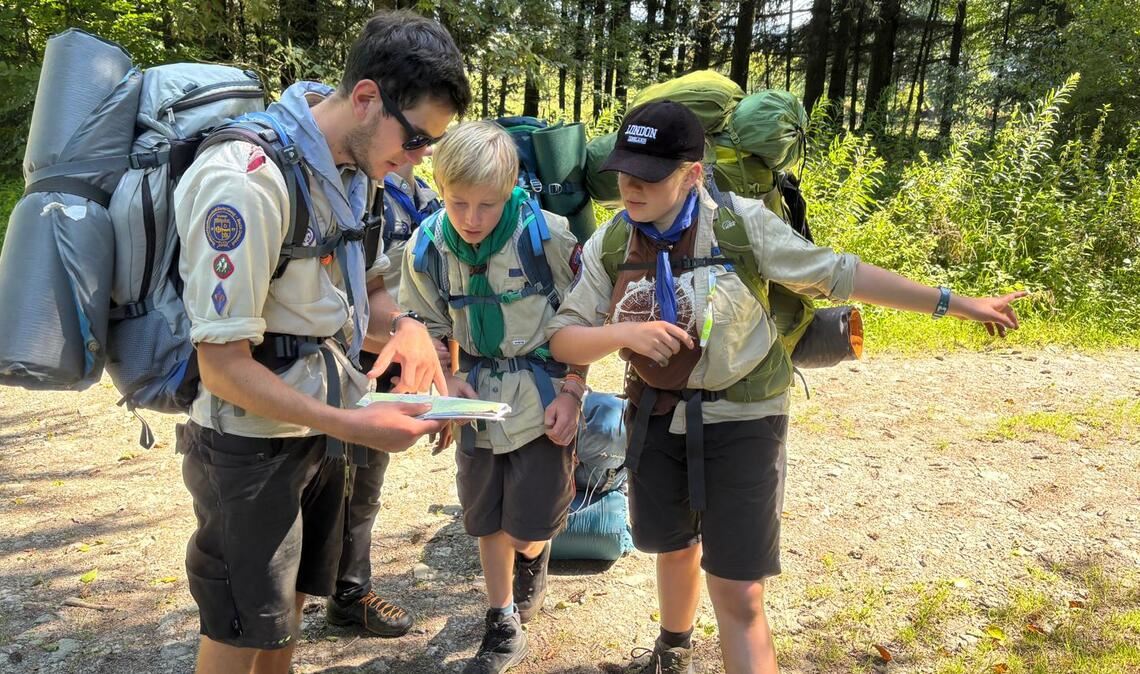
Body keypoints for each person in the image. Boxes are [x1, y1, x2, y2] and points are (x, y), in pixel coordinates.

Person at [546, 101, 1025, 674]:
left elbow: (840, 273)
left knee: (737, 590)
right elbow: (565, 339)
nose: (631, 187)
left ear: (692, 173)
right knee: (673, 548)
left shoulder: (741, 227)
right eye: (625, 172)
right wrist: (623, 334)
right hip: (656, 415)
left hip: (745, 417)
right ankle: (670, 655)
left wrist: (956, 303)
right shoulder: (613, 241)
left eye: (649, 175)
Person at [172, 10, 470, 674]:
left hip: (319, 427)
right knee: (241, 629)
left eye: (431, 145)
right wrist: (356, 426)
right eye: (416, 138)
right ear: (365, 98)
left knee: (286, 615)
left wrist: (409, 329)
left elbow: (369, 290)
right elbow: (221, 367)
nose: (419, 159)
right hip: (248, 445)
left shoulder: (357, 171)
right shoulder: (246, 180)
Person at [399, 120, 587, 674]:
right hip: (477, 400)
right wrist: (446, 375)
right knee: (485, 519)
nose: (472, 218)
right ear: (438, 187)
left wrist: (573, 390)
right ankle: (501, 620)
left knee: (528, 529)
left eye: (487, 204)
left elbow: (585, 317)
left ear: (510, 190)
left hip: (540, 397)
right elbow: (424, 321)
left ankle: (534, 553)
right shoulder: (429, 245)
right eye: (458, 202)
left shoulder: (547, 238)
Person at [324, 156, 447, 637]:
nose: (418, 149)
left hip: (398, 357)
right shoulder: (354, 188)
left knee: (367, 479)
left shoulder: (426, 199)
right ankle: (338, 589)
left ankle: (350, 591)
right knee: (337, 477)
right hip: (352, 358)